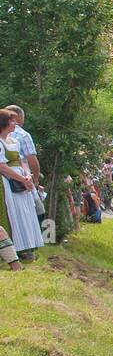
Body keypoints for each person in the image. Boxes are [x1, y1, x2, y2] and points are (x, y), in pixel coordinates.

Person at [0, 107, 42, 259]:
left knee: (25, 212)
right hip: (7, 181)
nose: (15, 123)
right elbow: (2, 166)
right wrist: (21, 179)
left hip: (21, 179)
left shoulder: (14, 140)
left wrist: (28, 175)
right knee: (12, 213)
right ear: (4, 123)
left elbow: (21, 159)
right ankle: (13, 249)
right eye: (12, 120)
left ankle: (26, 246)